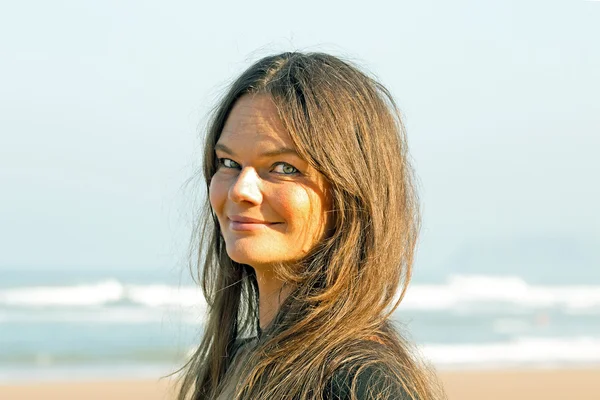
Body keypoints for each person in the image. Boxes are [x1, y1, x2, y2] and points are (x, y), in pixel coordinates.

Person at [173, 52, 446, 400]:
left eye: (284, 167)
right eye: (228, 162)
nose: (241, 189)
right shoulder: (233, 362)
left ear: (351, 193)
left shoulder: (355, 381)